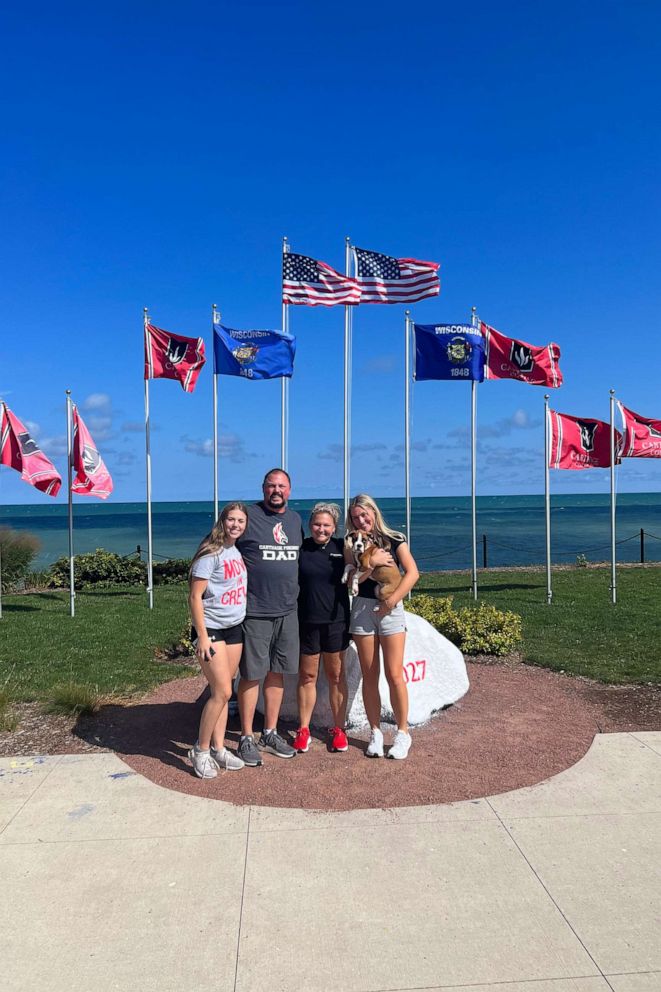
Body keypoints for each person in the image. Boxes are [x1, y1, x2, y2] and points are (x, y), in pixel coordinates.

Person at [235, 468, 304, 766]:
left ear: (289, 490)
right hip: (255, 612)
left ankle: (270, 732)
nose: (277, 490)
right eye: (271, 485)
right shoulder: (248, 517)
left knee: (277, 673)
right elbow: (220, 548)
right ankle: (246, 736)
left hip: (288, 611)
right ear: (263, 488)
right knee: (252, 674)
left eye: (282, 486)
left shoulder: (296, 520)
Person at [345, 494, 419, 760]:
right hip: (363, 608)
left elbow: (412, 572)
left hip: (390, 607)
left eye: (365, 515)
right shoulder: (351, 542)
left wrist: (392, 601)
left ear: (374, 513)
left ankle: (402, 733)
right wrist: (372, 563)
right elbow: (351, 579)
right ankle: (375, 732)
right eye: (356, 517)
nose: (362, 521)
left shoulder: (394, 539)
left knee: (394, 674)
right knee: (369, 673)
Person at [187, 502, 249, 779]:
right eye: (231, 519)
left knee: (224, 692)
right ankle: (199, 750)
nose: (235, 525)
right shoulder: (210, 553)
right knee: (222, 691)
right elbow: (194, 597)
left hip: (234, 627)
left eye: (241, 521)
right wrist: (201, 635)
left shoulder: (235, 551)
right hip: (210, 630)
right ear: (222, 522)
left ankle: (219, 748)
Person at [293, 502, 351, 754]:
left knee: (336, 676)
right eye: (317, 524)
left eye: (326, 525)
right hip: (307, 622)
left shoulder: (342, 548)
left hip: (337, 622)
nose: (321, 529)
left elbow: (365, 563)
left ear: (334, 527)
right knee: (307, 677)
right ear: (310, 525)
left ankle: (339, 729)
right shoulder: (301, 549)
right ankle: (303, 729)